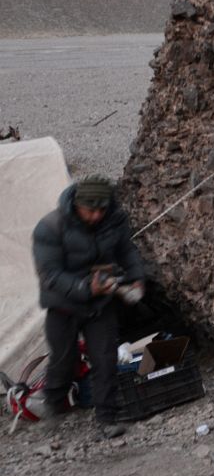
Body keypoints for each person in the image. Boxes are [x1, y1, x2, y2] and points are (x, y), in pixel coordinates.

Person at [31, 174, 145, 439]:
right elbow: (49, 274)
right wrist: (85, 288)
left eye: (101, 210)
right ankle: (53, 405)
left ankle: (107, 418)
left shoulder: (114, 220)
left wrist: (136, 278)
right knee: (63, 360)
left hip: (101, 303)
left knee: (105, 360)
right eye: (90, 210)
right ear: (77, 205)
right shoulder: (50, 227)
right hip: (63, 306)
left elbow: (127, 251)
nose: (96, 216)